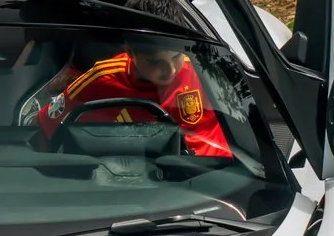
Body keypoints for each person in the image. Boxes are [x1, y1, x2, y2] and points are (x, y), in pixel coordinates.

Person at [32, 33, 232, 157]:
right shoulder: (101, 79)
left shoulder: (204, 69)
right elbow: (42, 126)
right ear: (130, 52)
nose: (170, 70)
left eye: (176, 57)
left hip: (214, 183)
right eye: (154, 62)